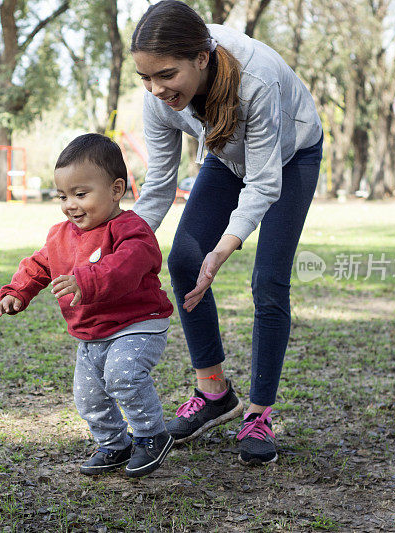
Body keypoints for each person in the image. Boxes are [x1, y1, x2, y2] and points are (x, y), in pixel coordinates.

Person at [130, 0, 323, 465]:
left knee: (268, 280)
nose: (156, 89)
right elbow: (158, 184)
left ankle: (258, 414)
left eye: (166, 75)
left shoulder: (254, 80)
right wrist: (120, 245)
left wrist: (224, 248)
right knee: (182, 260)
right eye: (146, 78)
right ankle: (214, 392)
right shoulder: (160, 101)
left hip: (290, 156)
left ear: (201, 57)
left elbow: (262, 182)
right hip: (225, 152)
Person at [0, 133, 175, 478]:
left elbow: (128, 266)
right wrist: (17, 292)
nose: (70, 205)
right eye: (63, 196)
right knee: (88, 396)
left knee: (123, 375)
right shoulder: (61, 234)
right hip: (91, 331)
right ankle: (114, 444)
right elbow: (40, 264)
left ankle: (152, 435)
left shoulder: (131, 230)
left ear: (116, 190)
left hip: (137, 323)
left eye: (81, 194)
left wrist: (86, 279)